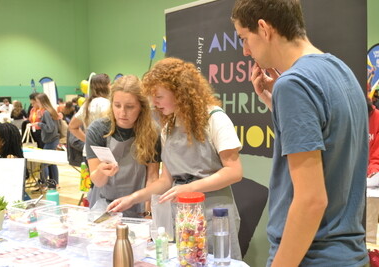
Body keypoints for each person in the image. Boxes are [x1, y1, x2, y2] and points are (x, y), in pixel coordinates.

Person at [231, 0, 368, 266]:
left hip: (314, 257)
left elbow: (311, 201)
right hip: (350, 255)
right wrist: (276, 104)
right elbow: (330, 140)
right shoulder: (340, 70)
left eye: (245, 39)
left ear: (264, 28)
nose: (246, 51)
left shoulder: (293, 84)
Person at [106, 58, 243, 259]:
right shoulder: (168, 128)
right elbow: (166, 181)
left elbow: (234, 172)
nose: (155, 103)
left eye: (159, 96)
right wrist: (133, 198)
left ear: (180, 93)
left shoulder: (215, 119)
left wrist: (188, 188)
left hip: (215, 214)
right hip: (183, 215)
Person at [85, 75, 160, 216]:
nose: (122, 113)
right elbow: (98, 181)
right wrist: (102, 171)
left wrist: (148, 212)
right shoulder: (98, 129)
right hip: (104, 205)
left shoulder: (152, 132)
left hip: (137, 205)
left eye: (130, 107)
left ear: (141, 107)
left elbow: (152, 177)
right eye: (117, 105)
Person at [33, 93, 60, 186]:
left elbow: (50, 128)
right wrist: (41, 119)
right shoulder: (50, 111)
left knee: (45, 163)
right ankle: (54, 183)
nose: (36, 103)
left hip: (50, 140)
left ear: (40, 101)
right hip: (53, 139)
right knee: (51, 163)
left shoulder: (46, 112)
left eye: (36, 101)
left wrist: (39, 124)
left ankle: (44, 183)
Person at [366, 98, 379, 244]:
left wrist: (373, 170)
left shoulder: (377, 118)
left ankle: (369, 242)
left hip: (372, 176)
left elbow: (376, 153)